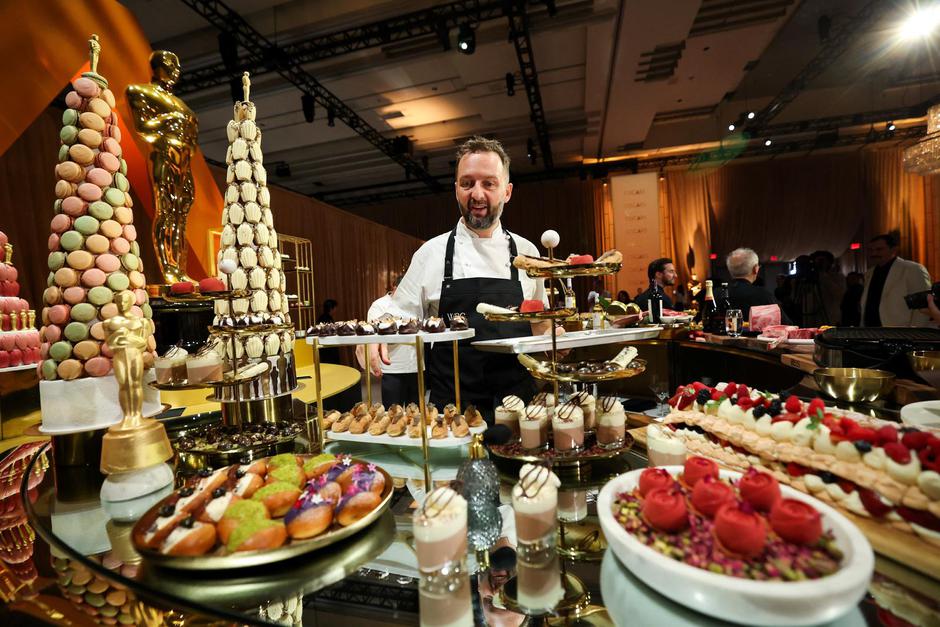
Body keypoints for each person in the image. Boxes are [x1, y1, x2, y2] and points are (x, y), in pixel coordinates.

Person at [369, 136, 548, 419]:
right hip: (451, 417)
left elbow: (539, 325)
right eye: (467, 183)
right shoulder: (431, 253)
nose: (477, 194)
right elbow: (396, 316)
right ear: (456, 190)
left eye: (489, 183)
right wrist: (373, 333)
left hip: (520, 411)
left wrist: (556, 340)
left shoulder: (527, 253)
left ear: (507, 191)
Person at [361, 277, 418, 406]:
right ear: (395, 288)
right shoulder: (379, 305)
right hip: (392, 369)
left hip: (416, 366)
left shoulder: (414, 304)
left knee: (416, 413)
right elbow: (375, 332)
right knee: (392, 413)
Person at [861, 232, 931, 327]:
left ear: (894, 250)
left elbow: (923, 306)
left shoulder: (912, 269)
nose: (874, 253)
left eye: (879, 249)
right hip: (871, 331)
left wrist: (914, 334)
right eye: (871, 250)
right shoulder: (869, 273)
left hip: (901, 332)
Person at [725, 248, 792, 324]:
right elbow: (786, 325)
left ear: (729, 269)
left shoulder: (716, 294)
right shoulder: (763, 295)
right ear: (756, 269)